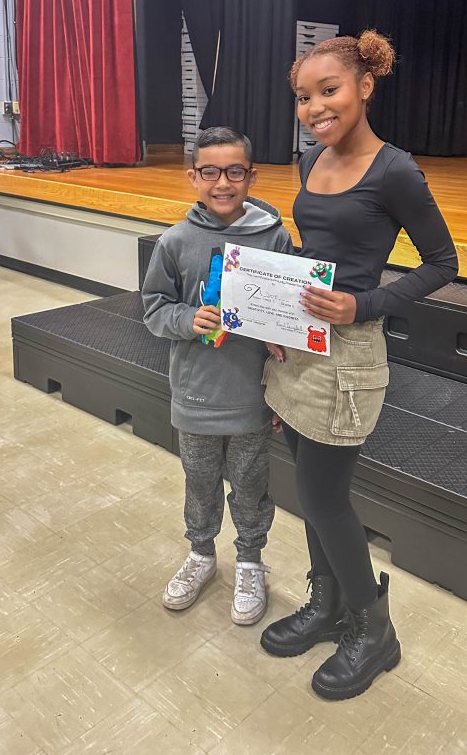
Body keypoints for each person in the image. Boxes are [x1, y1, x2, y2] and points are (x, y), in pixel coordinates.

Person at [260, 30, 458, 700]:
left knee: (321, 494)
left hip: (349, 352)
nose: (314, 106)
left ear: (365, 87)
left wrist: (365, 305)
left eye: (329, 90)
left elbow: (443, 263)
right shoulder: (309, 160)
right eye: (302, 96)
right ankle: (329, 607)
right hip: (299, 345)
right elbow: (311, 245)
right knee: (309, 486)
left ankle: (375, 630)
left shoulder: (395, 170)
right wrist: (269, 312)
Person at [142, 126, 293, 626]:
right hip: (196, 397)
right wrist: (188, 319)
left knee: (251, 485)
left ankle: (250, 560)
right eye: (210, 172)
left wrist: (284, 388)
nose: (222, 183)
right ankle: (202, 554)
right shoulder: (174, 242)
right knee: (199, 482)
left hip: (252, 397)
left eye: (234, 171)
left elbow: (289, 315)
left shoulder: (275, 237)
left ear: (251, 176)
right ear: (193, 177)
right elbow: (153, 310)